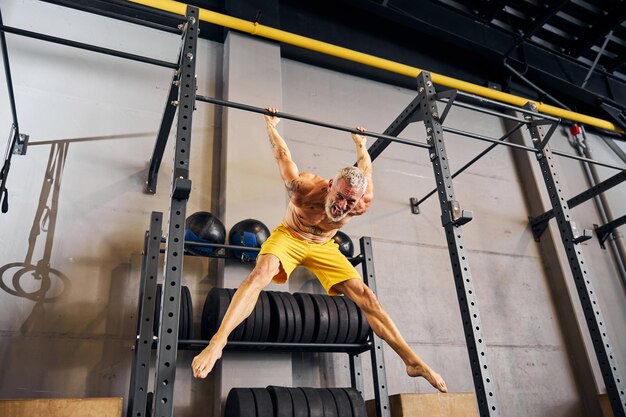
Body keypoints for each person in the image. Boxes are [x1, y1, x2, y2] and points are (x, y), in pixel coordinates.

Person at [191, 107, 447, 393]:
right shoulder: (303, 189)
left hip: (325, 245)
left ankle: (412, 361)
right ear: (329, 185)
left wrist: (361, 145)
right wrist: (270, 125)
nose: (341, 206)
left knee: (367, 296)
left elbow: (367, 168)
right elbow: (282, 154)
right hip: (290, 235)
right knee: (260, 274)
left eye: (350, 203)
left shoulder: (363, 200)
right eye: (339, 197)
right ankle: (218, 342)